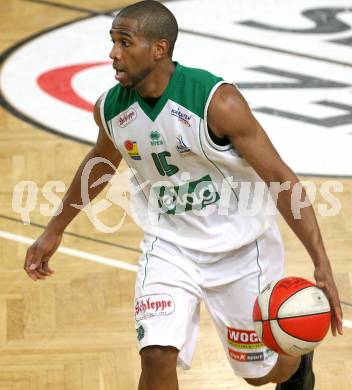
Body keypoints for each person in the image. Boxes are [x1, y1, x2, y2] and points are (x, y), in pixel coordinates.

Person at [24, 1, 343, 389]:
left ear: (159, 49)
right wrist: (54, 229)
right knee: (156, 356)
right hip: (169, 246)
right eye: (112, 42)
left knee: (260, 374)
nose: (113, 54)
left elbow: (280, 177)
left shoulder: (216, 102)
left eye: (125, 43)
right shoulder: (110, 108)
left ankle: (297, 358)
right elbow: (101, 164)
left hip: (240, 249)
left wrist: (320, 261)